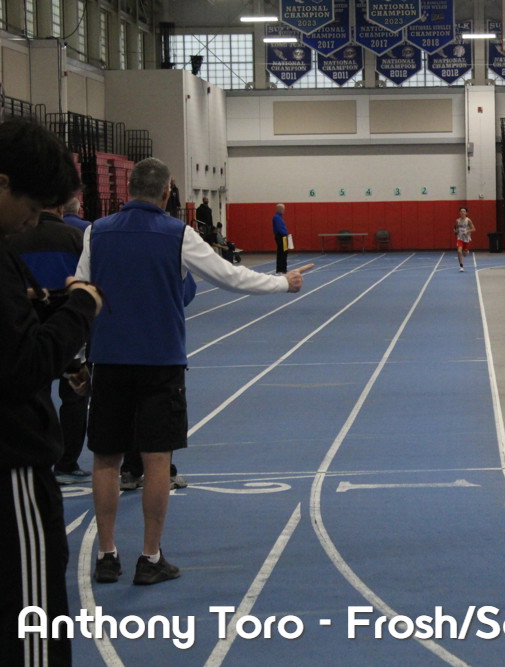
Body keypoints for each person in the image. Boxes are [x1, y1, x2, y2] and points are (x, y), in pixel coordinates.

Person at [76, 158, 313, 587]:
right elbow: (229, 277)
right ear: (167, 192)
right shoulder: (178, 234)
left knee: (105, 459)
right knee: (157, 461)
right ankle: (149, 557)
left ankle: (107, 555)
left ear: (128, 189)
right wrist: (283, 282)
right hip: (160, 363)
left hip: (108, 361)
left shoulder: (96, 232)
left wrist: (78, 358)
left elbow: (80, 294)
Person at [1, 117, 103, 667]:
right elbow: (22, 365)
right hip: (12, 466)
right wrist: (80, 308)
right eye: (33, 205)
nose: (33, 219)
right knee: (33, 621)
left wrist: (42, 307)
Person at [5, 201, 93, 484]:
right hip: (68, 327)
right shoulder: (75, 237)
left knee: (32, 393)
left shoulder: (13, 238)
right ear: (61, 209)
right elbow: (87, 279)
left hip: (26, 326)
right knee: (75, 395)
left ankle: (34, 455)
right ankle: (67, 463)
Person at [454, 206, 475, 272]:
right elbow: (455, 228)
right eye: (461, 211)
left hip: (466, 238)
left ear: (466, 213)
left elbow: (474, 229)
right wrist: (455, 231)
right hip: (460, 238)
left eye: (464, 211)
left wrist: (467, 231)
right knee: (459, 251)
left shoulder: (468, 220)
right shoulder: (457, 221)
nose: (462, 212)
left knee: (465, 254)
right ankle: (461, 266)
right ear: (459, 212)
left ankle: (466, 251)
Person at [273, 203, 289, 275]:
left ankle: (283, 269)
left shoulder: (279, 217)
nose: (283, 211)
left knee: (284, 252)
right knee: (282, 253)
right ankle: (280, 270)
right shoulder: (277, 217)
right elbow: (279, 228)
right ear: (279, 209)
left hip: (283, 237)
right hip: (281, 237)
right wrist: (285, 234)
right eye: (283, 209)